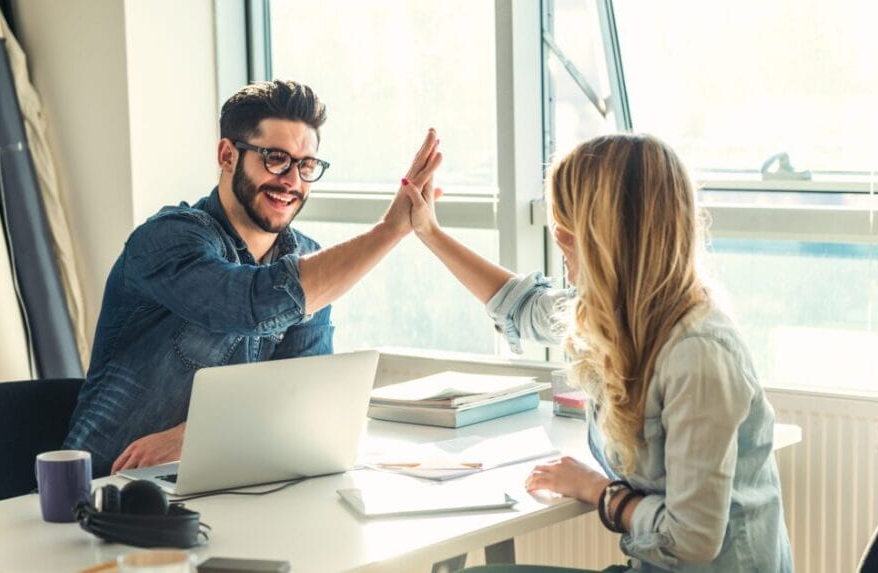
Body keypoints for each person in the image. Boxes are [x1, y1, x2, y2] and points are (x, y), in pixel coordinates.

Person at [406, 134, 792, 572]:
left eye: (564, 228)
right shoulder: (619, 315)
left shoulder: (698, 352)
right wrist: (429, 233)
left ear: (601, 236)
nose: (560, 243)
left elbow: (692, 539)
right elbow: (527, 307)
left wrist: (600, 491)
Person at [63, 80, 442, 478]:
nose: (292, 180)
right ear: (228, 155)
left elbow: (302, 395)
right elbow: (249, 304)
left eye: (306, 165)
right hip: (101, 494)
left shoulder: (310, 262)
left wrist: (196, 435)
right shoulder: (168, 239)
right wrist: (389, 231)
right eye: (275, 159)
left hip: (227, 489)